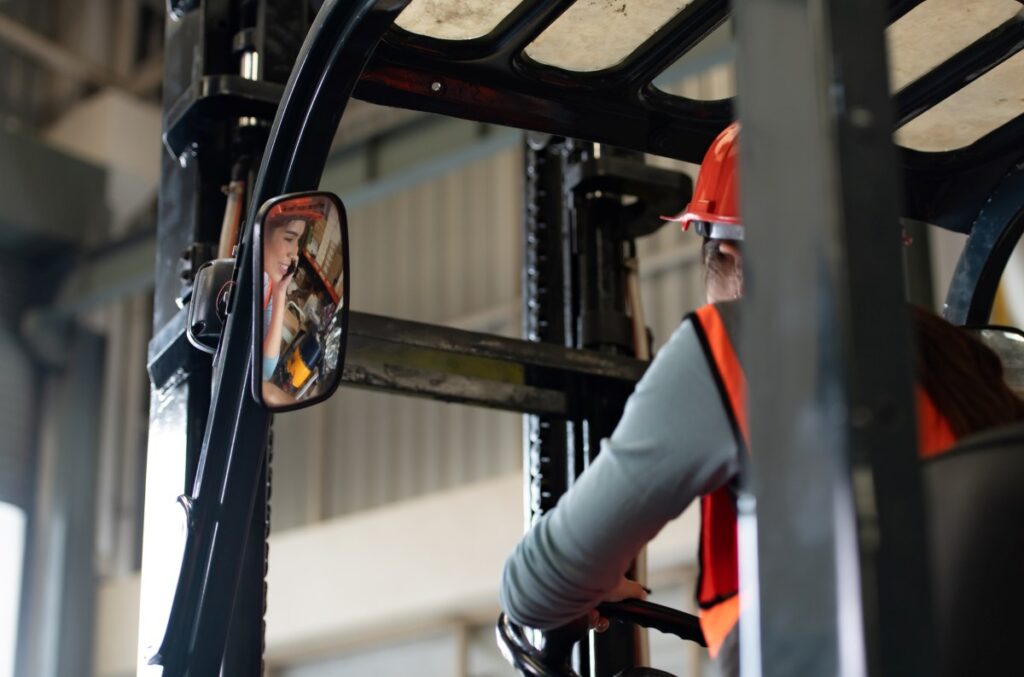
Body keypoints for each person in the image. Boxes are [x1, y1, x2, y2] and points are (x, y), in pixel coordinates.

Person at [499, 122, 1024, 675]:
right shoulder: (974, 363)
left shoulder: (735, 345)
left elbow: (537, 587)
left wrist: (592, 580)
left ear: (722, 247)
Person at [261, 215, 307, 407]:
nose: (294, 253)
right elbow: (262, 381)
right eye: (289, 239)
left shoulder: (267, 284)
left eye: (298, 242)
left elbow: (265, 369)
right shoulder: (250, 284)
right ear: (261, 237)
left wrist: (280, 293)